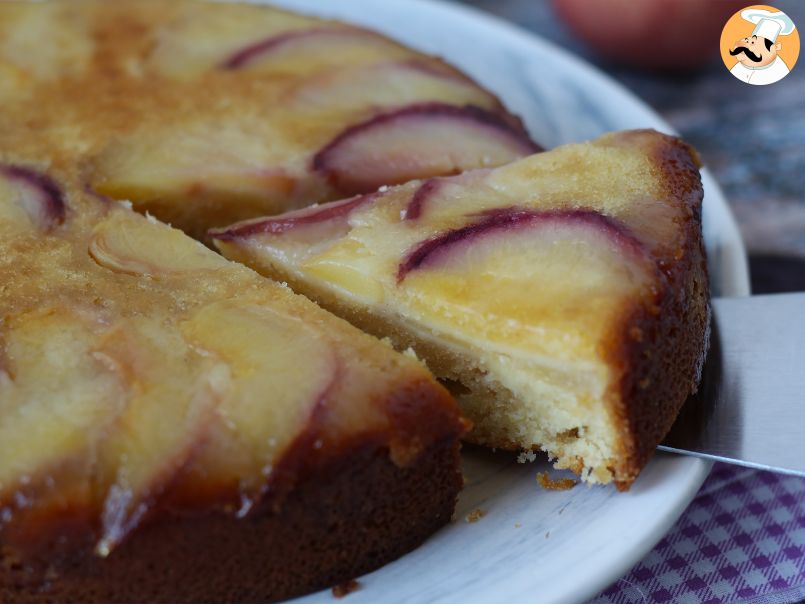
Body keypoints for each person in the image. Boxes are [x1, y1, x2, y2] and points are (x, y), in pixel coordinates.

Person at [729, 10, 796, 86]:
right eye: (747, 40)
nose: (746, 46)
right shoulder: (737, 67)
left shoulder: (779, 73)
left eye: (753, 43)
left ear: (776, 47)